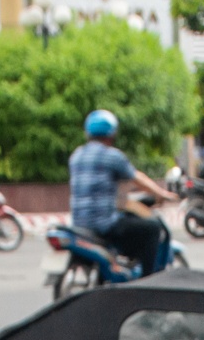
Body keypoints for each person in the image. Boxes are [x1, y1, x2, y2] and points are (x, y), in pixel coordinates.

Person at [68, 108, 177, 275]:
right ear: (111, 133)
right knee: (152, 228)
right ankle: (149, 280)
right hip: (103, 224)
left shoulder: (76, 156)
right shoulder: (112, 156)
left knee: (128, 223)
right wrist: (161, 194)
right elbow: (136, 178)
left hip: (79, 223)